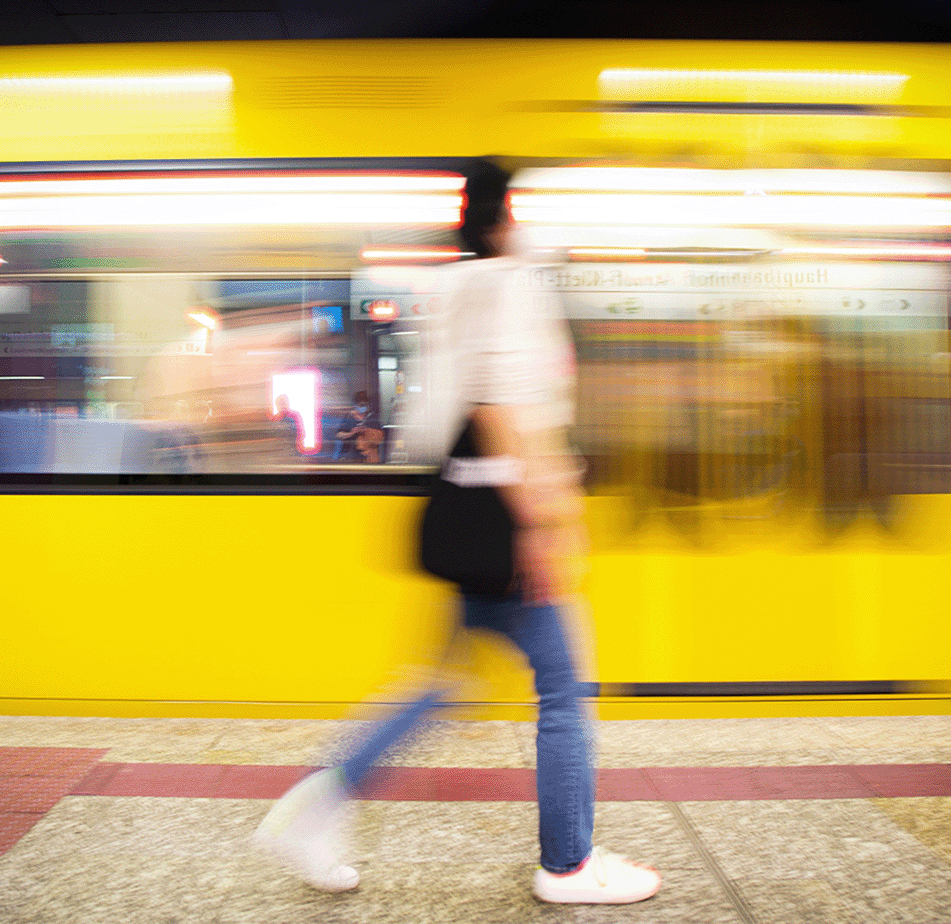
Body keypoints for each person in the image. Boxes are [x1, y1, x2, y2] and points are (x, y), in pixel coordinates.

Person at [253, 160, 661, 905]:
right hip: (506, 521)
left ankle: (314, 808)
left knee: (443, 685)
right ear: (506, 214)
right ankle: (567, 864)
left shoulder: (455, 287)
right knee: (566, 690)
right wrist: (545, 522)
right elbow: (500, 406)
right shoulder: (507, 284)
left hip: (464, 510)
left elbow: (450, 408)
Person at [333, 391, 384, 462]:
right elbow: (338, 435)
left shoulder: (373, 418)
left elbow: (379, 438)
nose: (362, 407)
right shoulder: (349, 417)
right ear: (355, 405)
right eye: (360, 405)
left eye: (364, 405)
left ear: (368, 405)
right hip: (351, 458)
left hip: (368, 458)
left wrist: (364, 426)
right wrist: (351, 433)